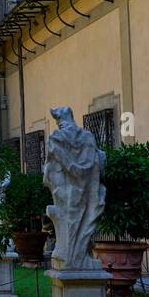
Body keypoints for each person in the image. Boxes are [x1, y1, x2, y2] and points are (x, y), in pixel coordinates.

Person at [44, 107, 105, 270]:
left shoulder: (56, 137)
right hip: (86, 186)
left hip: (63, 185)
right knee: (81, 218)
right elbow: (96, 160)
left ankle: (70, 256)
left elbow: (50, 164)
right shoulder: (87, 137)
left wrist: (66, 168)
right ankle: (77, 256)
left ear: (59, 120)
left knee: (69, 218)